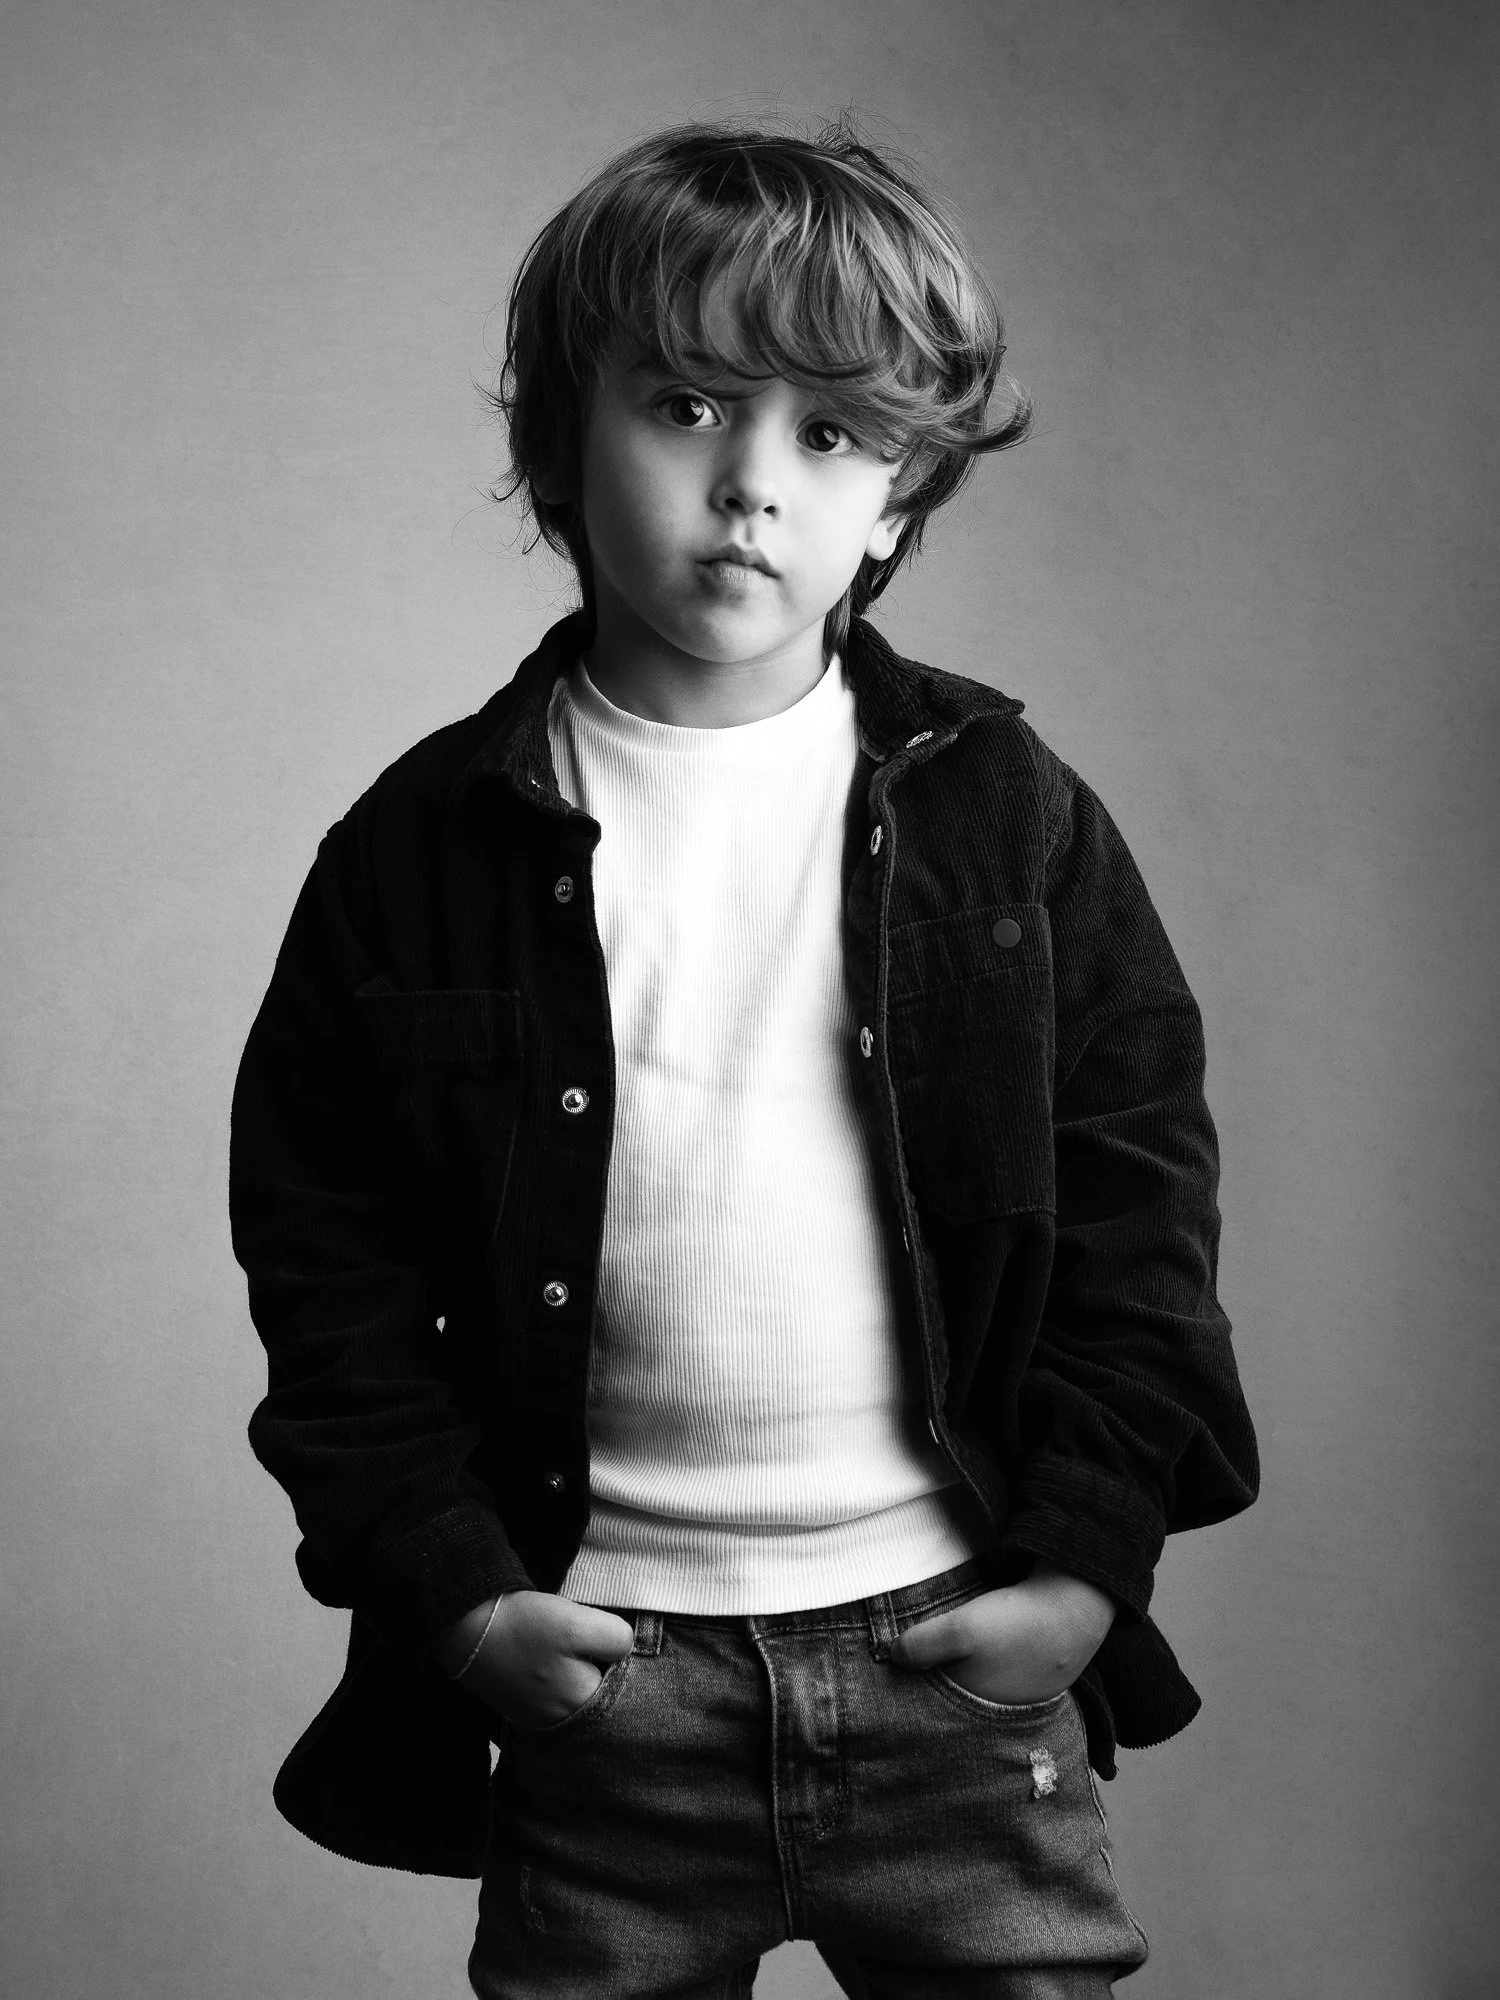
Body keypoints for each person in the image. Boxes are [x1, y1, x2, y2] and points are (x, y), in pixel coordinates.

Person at [230, 120, 1259, 1999]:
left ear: (899, 498)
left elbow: (1144, 1209)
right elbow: (328, 1266)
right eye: (690, 405)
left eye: (833, 435)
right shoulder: (417, 852)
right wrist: (459, 1594)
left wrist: (1086, 1565)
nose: (752, 490)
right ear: (562, 435)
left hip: (957, 1660)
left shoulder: (1008, 820)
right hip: (605, 1675)